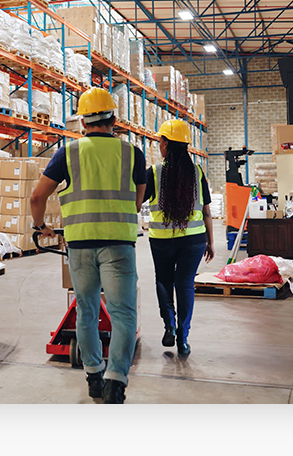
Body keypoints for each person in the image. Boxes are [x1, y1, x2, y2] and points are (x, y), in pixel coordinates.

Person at [29, 87, 146, 404]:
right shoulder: (133, 154)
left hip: (79, 246)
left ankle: (94, 374)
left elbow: (37, 197)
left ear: (82, 121)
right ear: (114, 119)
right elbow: (137, 202)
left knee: (87, 310)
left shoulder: (67, 153)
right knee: (123, 314)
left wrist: (41, 227)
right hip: (120, 246)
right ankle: (116, 381)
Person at [145, 119, 215, 358]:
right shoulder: (197, 172)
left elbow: (136, 202)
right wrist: (211, 241)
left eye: (159, 141)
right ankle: (183, 339)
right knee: (185, 285)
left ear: (165, 143)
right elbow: (206, 210)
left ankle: (169, 326)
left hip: (161, 241)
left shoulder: (154, 173)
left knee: (163, 281)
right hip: (194, 240)